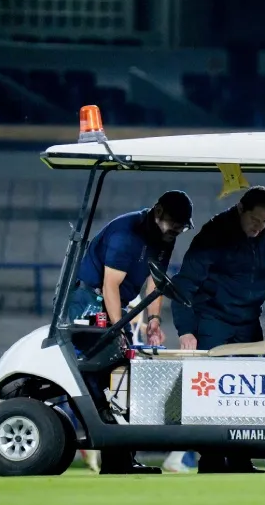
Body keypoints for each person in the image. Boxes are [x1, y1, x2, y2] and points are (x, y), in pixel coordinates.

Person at [171, 186, 265, 474]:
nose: (259, 227)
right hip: (213, 320)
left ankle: (242, 461)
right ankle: (211, 461)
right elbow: (183, 284)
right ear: (240, 208)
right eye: (254, 220)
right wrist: (186, 331)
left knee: (251, 394)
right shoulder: (213, 233)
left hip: (249, 321)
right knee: (212, 394)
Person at [70, 190, 194, 475]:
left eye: (181, 226)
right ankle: (112, 454)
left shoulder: (164, 238)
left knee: (122, 380)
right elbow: (109, 286)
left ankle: (119, 460)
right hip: (87, 302)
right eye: (174, 223)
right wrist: (117, 331)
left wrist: (153, 320)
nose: (176, 230)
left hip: (113, 305)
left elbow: (155, 281)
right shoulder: (127, 234)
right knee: (105, 375)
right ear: (158, 212)